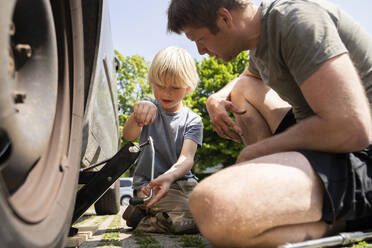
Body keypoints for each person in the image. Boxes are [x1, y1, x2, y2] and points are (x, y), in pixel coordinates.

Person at [167, 0, 372, 247]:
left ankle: (350, 217)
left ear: (225, 19)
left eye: (198, 39)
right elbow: (248, 78)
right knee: (242, 89)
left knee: (212, 205)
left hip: (359, 149)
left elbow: (351, 128)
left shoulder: (297, 20)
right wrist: (217, 97)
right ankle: (289, 204)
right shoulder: (260, 41)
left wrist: (258, 151)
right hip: (328, 142)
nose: (200, 50)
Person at [122, 46, 203, 234]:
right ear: (152, 83)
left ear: (188, 86)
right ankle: (144, 216)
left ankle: (143, 212)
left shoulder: (193, 120)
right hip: (149, 185)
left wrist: (171, 176)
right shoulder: (149, 106)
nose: (166, 93)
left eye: (175, 87)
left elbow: (186, 159)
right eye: (160, 86)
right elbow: (129, 135)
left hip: (183, 182)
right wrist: (137, 115)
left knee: (215, 213)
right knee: (188, 222)